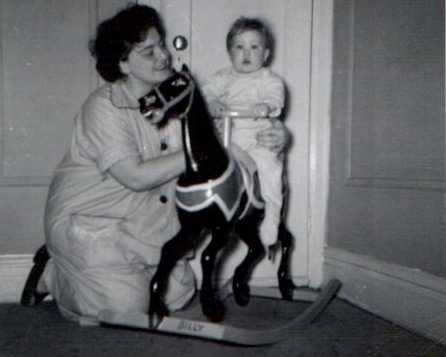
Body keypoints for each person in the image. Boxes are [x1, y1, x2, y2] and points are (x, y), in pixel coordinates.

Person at [20, 4, 290, 325]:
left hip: (145, 225)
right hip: (92, 221)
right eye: (149, 52)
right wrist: (201, 151)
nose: (163, 56)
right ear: (123, 64)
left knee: (178, 294)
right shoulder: (102, 107)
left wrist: (274, 133)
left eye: (161, 44)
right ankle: (51, 273)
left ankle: (120, 274)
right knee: (127, 310)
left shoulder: (175, 94)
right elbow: (135, 177)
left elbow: (226, 128)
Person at [202, 17, 286, 250]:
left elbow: (275, 97)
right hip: (229, 139)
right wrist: (212, 103)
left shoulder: (268, 79)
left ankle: (272, 214)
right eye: (239, 47)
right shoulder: (222, 77)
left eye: (254, 47)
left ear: (266, 54)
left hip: (258, 139)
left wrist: (266, 106)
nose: (246, 53)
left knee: (270, 167)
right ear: (230, 52)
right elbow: (206, 93)